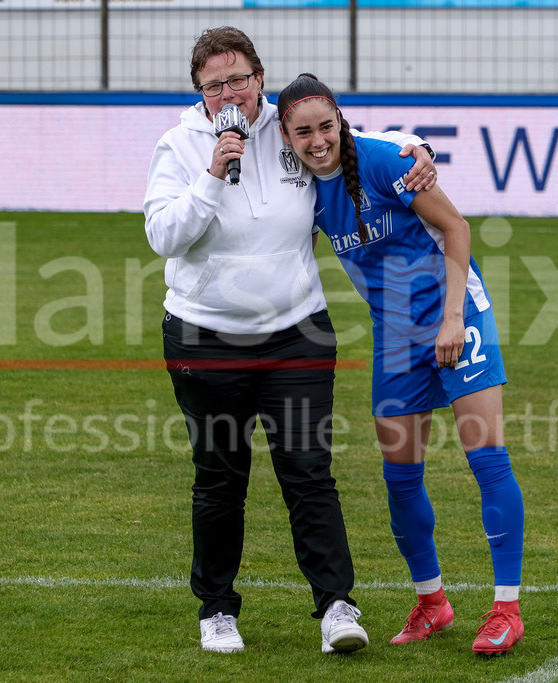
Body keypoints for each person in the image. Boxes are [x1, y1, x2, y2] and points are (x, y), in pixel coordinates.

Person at [142, 27, 437, 655]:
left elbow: (359, 140)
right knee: (220, 477)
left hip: (296, 332)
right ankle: (217, 610)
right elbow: (164, 237)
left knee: (308, 472)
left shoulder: (288, 125)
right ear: (199, 91)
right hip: (205, 338)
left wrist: (417, 147)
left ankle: (335, 607)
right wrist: (212, 177)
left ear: (259, 79)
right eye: (214, 84)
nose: (230, 93)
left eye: (240, 79)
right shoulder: (179, 146)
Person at [277, 74, 526, 655]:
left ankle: (506, 609)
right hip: (395, 336)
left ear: (341, 120)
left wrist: (449, 319)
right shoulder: (304, 190)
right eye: (303, 131)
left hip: (456, 314)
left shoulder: (389, 160)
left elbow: (456, 228)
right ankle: (432, 603)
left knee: (487, 459)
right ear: (287, 136)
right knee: (400, 477)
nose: (317, 141)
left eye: (325, 126)